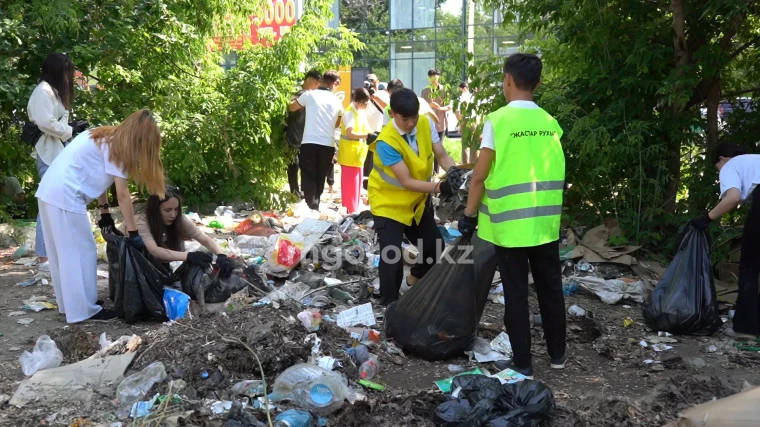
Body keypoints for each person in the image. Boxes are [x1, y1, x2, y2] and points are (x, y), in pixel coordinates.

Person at [460, 53, 566, 377]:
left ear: (507, 81)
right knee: (551, 290)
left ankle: (523, 363)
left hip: (510, 229)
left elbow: (479, 176)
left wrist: (469, 214)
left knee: (516, 295)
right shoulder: (550, 123)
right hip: (545, 225)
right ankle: (558, 356)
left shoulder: (499, 121)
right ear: (539, 82)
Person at [35, 109, 165, 323]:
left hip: (50, 191)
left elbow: (101, 178)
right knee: (81, 251)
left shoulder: (102, 135)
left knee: (62, 253)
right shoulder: (121, 149)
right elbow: (123, 196)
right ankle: (84, 310)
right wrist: (134, 233)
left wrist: (104, 210)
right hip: (66, 195)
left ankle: (70, 305)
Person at [368, 88, 457, 305]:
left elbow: (442, 155)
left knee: (434, 245)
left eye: (414, 117)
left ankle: (412, 282)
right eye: (405, 119)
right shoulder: (386, 142)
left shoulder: (425, 124)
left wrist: (455, 173)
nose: (411, 123)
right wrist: (440, 188)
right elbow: (406, 181)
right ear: (392, 114)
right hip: (388, 203)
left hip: (416, 201)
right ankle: (389, 304)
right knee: (392, 256)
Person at [690, 143, 760, 339]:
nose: (719, 173)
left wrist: (706, 218)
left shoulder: (731, 164)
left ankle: (745, 329)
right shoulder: (754, 161)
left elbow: (732, 198)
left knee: (750, 267)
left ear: (722, 159)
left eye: (717, 168)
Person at [27, 53, 86, 271]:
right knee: (48, 201)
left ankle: (53, 251)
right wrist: (70, 130)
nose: (68, 76)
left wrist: (73, 127)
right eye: (65, 72)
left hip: (57, 150)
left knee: (57, 200)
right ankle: (43, 256)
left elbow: (58, 120)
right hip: (48, 151)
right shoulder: (43, 91)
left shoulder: (54, 92)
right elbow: (44, 122)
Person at [121, 186, 233, 277]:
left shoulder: (179, 219)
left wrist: (221, 255)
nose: (173, 215)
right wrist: (189, 256)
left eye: (176, 209)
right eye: (167, 210)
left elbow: (203, 238)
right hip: (125, 260)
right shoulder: (140, 221)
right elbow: (153, 251)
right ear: (155, 210)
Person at [289, 70, 344, 210]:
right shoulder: (337, 101)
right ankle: (315, 204)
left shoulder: (309, 95)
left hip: (309, 143)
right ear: (335, 83)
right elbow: (338, 123)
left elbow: (292, 107)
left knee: (308, 175)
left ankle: (311, 206)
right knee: (320, 176)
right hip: (327, 144)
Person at [285, 70, 322, 199]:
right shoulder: (297, 95)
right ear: (307, 80)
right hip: (294, 137)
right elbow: (290, 107)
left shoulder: (313, 96)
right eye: (315, 83)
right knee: (293, 166)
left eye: (318, 84)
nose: (316, 86)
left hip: (307, 137)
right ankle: (294, 192)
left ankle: (305, 192)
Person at [338, 88, 371, 213]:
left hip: (358, 154)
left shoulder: (360, 111)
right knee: (350, 184)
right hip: (349, 154)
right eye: (365, 103)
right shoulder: (349, 113)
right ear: (358, 102)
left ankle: (354, 208)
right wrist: (366, 136)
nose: (366, 105)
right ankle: (349, 208)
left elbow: (367, 128)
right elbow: (350, 133)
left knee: (357, 183)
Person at [421, 68, 450, 173]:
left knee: (439, 147)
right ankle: (428, 170)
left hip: (441, 122)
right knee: (427, 147)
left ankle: (436, 171)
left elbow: (449, 106)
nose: (433, 78)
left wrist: (438, 108)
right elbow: (422, 106)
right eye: (431, 76)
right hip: (428, 122)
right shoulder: (425, 91)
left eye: (435, 76)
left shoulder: (444, 90)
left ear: (439, 77)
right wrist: (430, 105)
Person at [455, 82, 478, 164]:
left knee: (465, 144)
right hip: (475, 121)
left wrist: (461, 123)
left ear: (463, 88)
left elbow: (458, 112)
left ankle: (465, 165)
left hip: (466, 120)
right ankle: (474, 164)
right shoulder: (474, 97)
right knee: (474, 144)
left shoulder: (461, 98)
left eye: (460, 89)